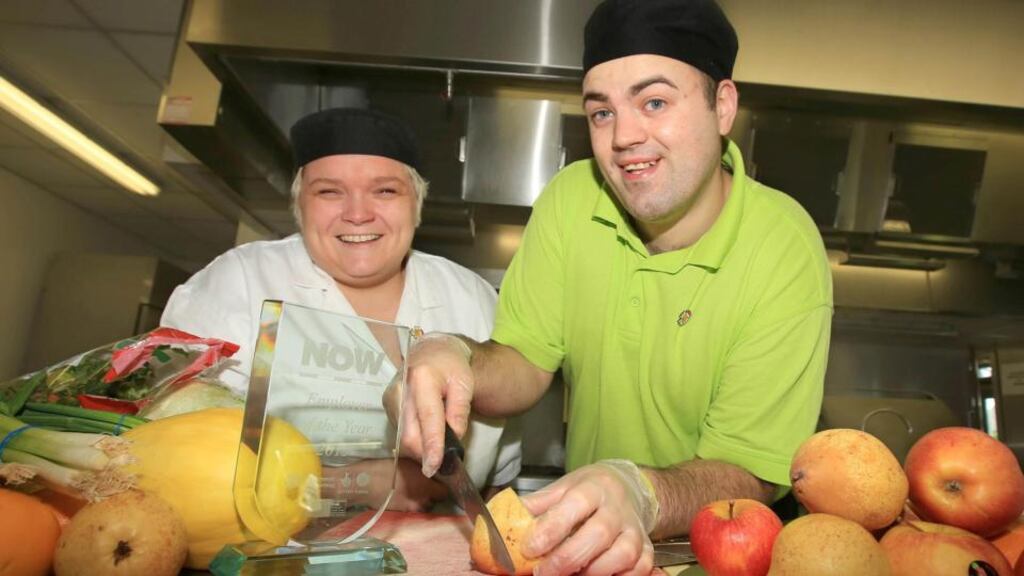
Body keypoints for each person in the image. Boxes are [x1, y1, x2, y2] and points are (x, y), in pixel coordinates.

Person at [397, 0, 833, 574]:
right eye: (601, 113)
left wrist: (640, 490)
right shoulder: (572, 198)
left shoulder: (783, 246)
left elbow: (748, 469)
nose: (624, 137)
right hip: (583, 553)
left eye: (654, 102)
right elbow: (525, 362)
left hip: (713, 557)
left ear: (722, 106)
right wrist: (451, 355)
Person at [161, 107, 521, 511]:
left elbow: (500, 476)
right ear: (300, 205)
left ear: (416, 204)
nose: (357, 213)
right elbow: (174, 443)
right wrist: (357, 482)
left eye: (385, 190)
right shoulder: (238, 284)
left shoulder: (472, 298)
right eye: (329, 191)